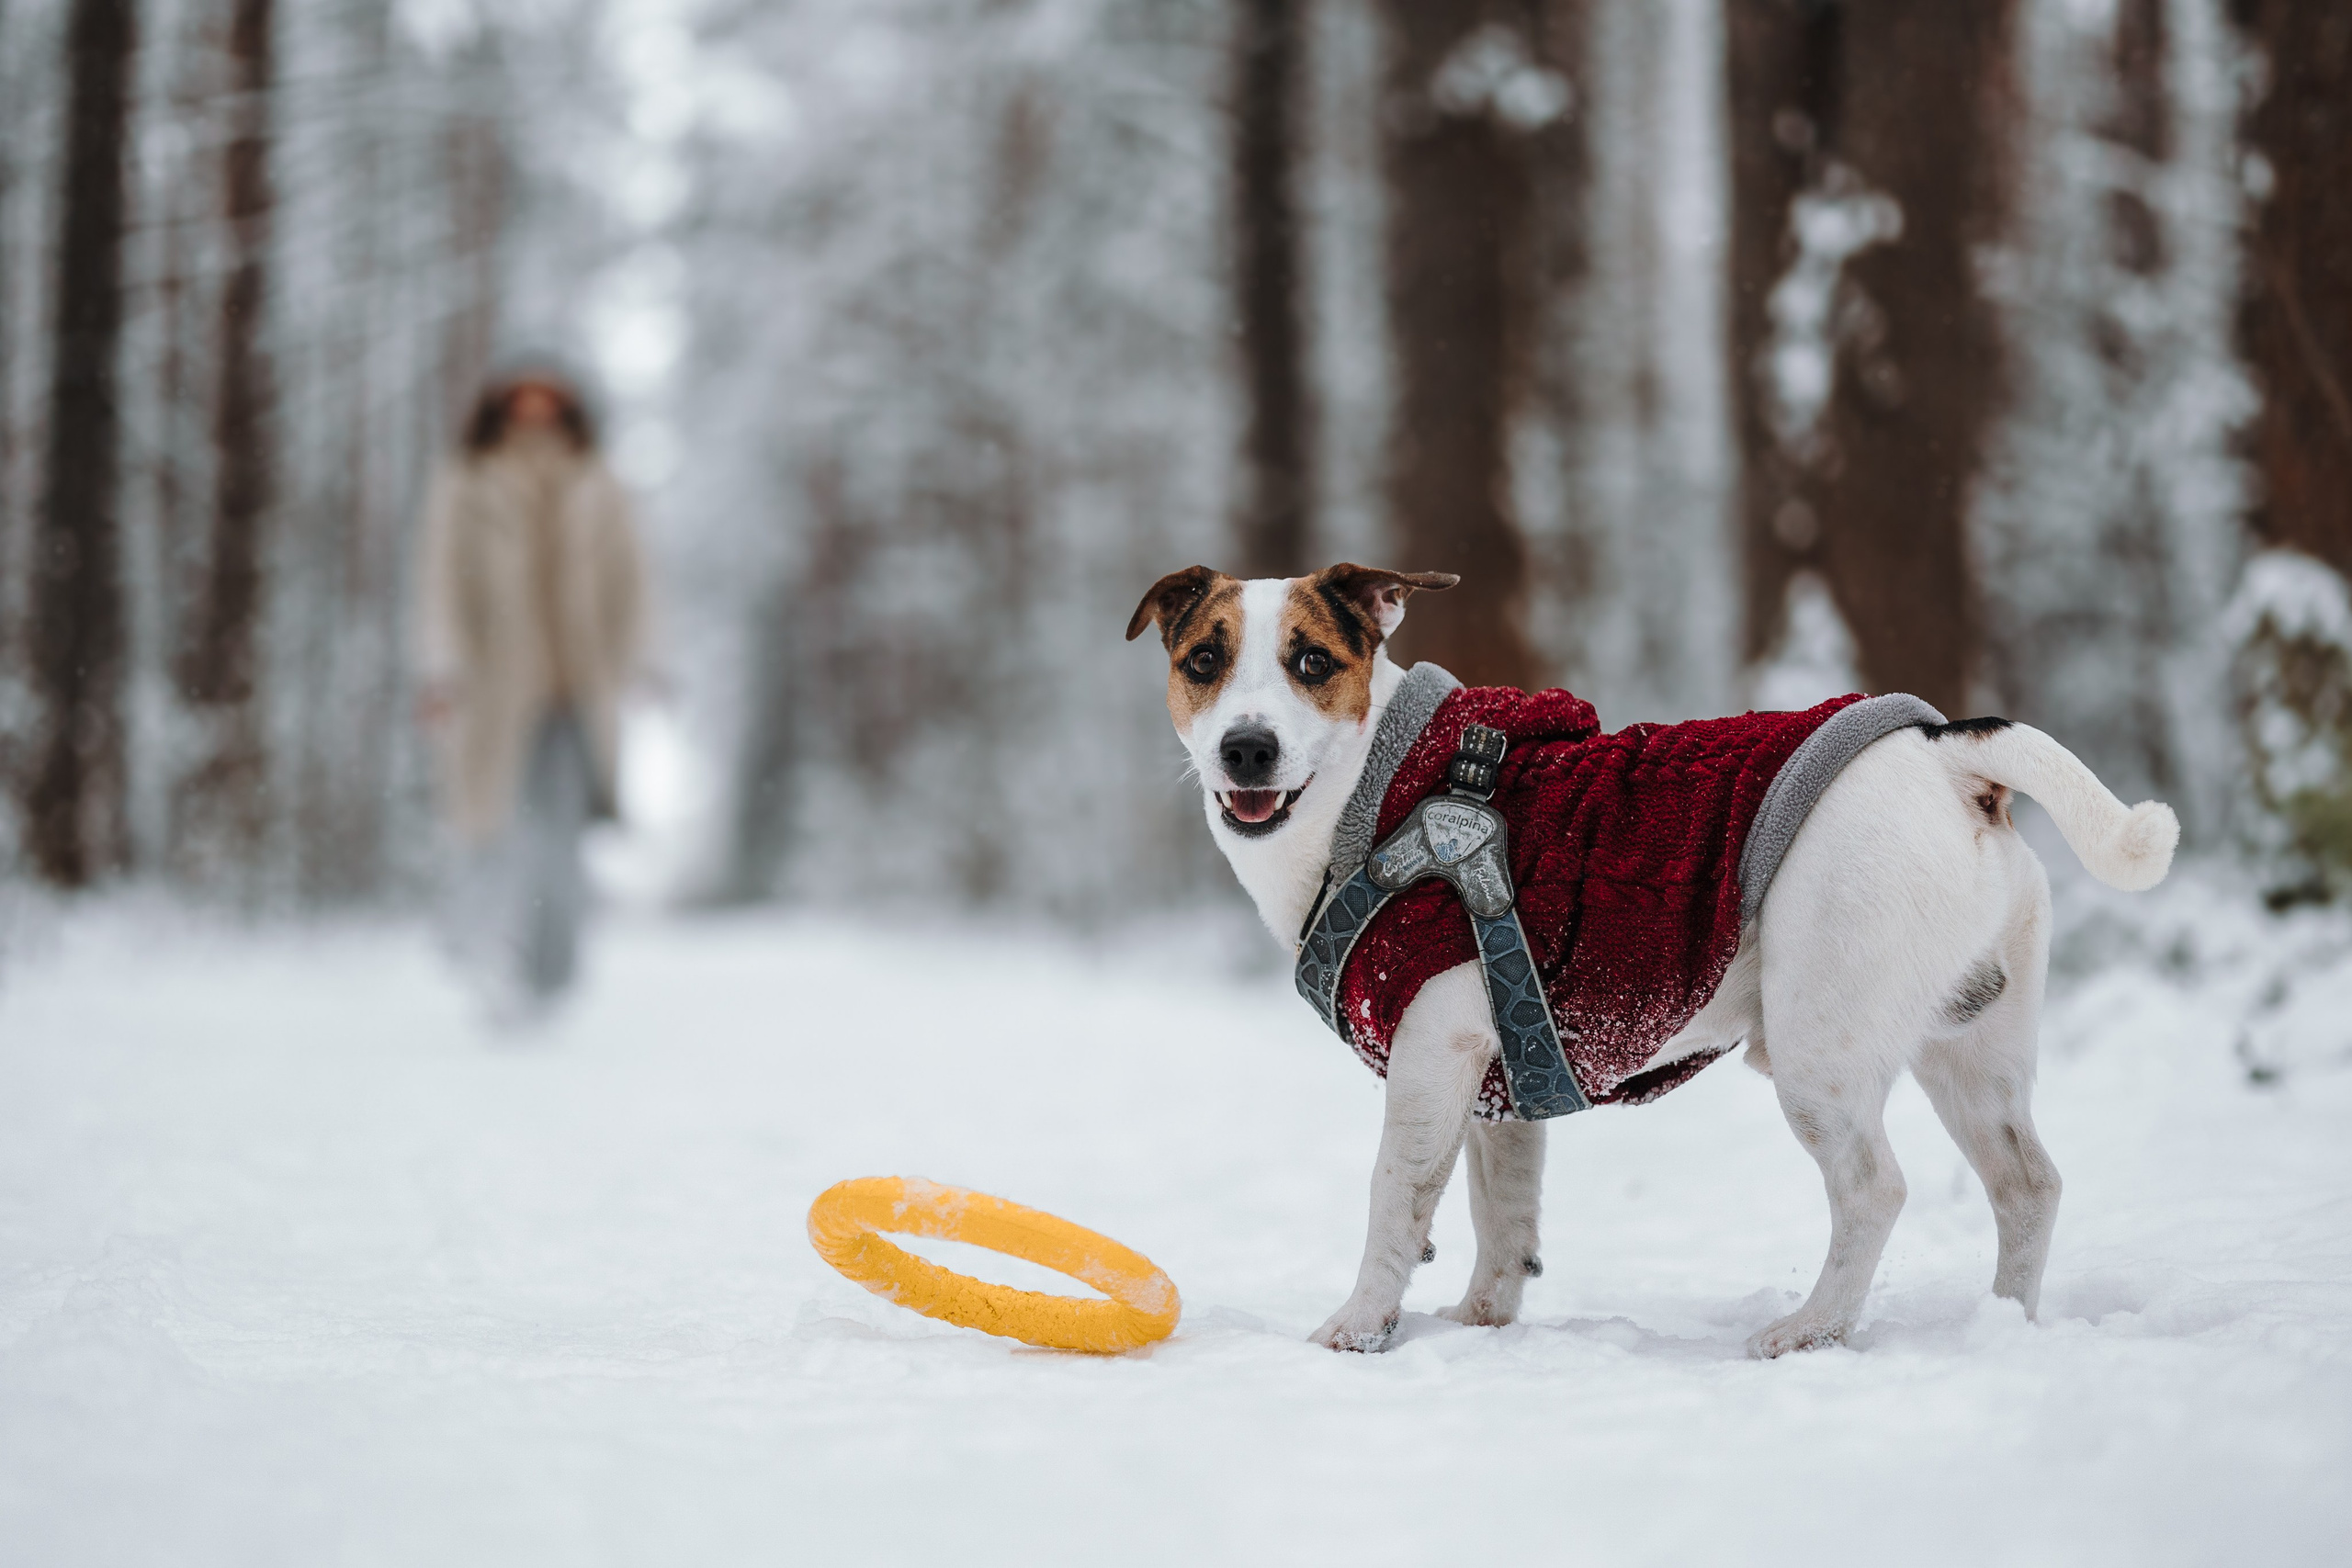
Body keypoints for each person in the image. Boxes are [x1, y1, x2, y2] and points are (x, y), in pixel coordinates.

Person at [415, 369, 647, 1019]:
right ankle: (482, 952)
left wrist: (639, 663)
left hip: (576, 691)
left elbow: (633, 580)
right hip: (493, 687)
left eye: (550, 398)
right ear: (502, 403)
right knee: (489, 828)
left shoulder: (598, 483)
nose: (536, 409)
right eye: (525, 396)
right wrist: (441, 668)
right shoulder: (467, 478)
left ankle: (551, 976)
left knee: (562, 841)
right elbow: (439, 581)